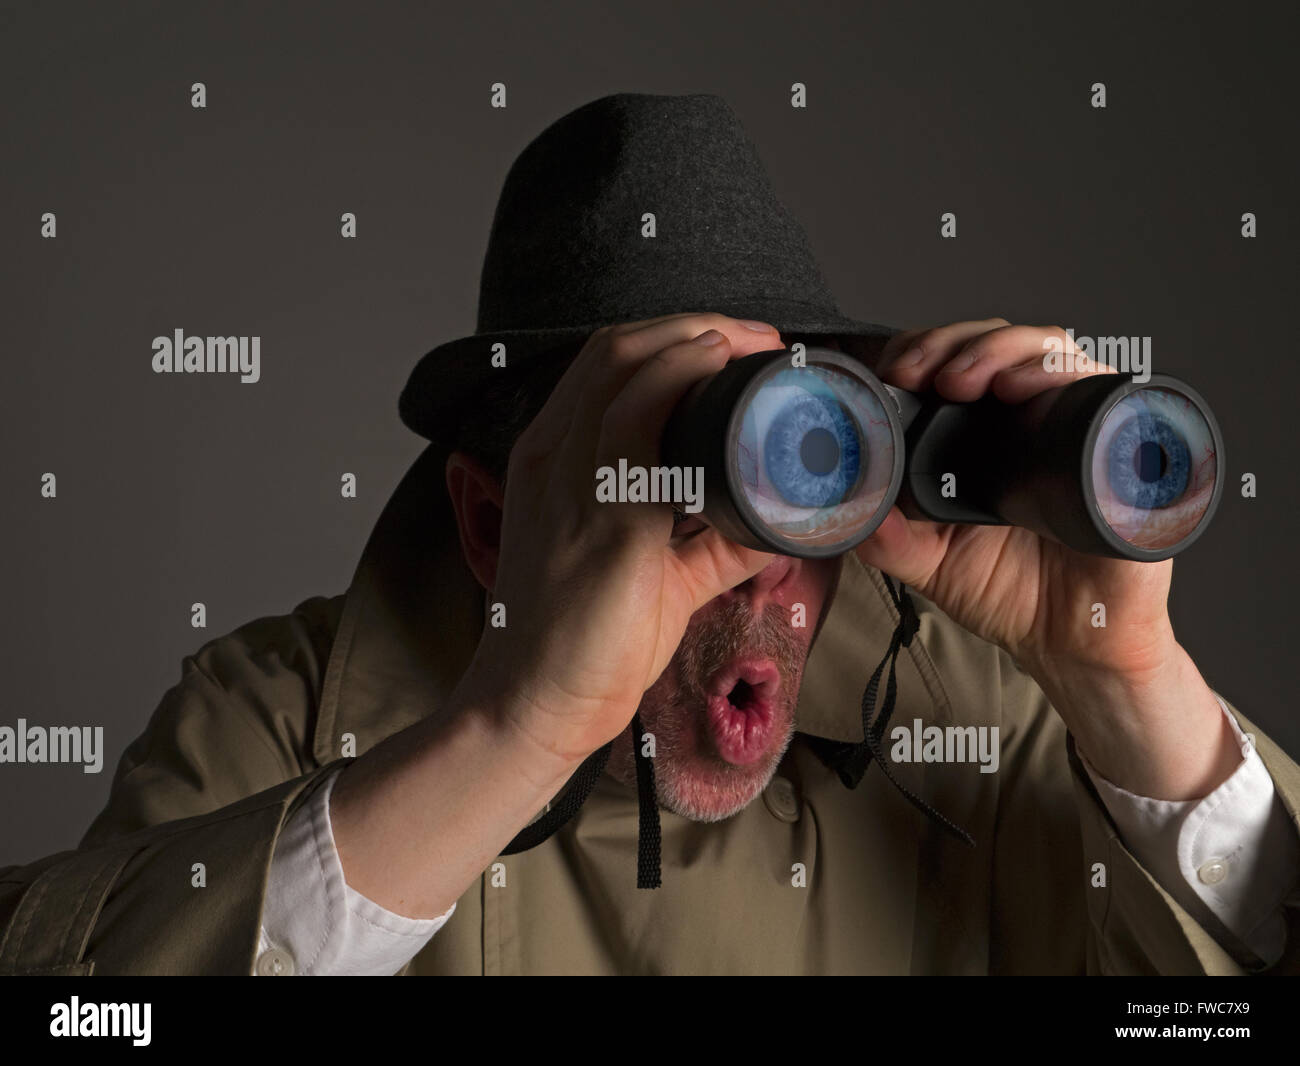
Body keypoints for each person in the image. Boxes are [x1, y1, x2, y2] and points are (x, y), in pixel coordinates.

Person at [2, 92, 1297, 976]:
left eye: (802, 468)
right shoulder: (277, 717)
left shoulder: (979, 726)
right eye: (686, 479)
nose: (763, 584)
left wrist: (1128, 685)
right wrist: (513, 729)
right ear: (494, 516)